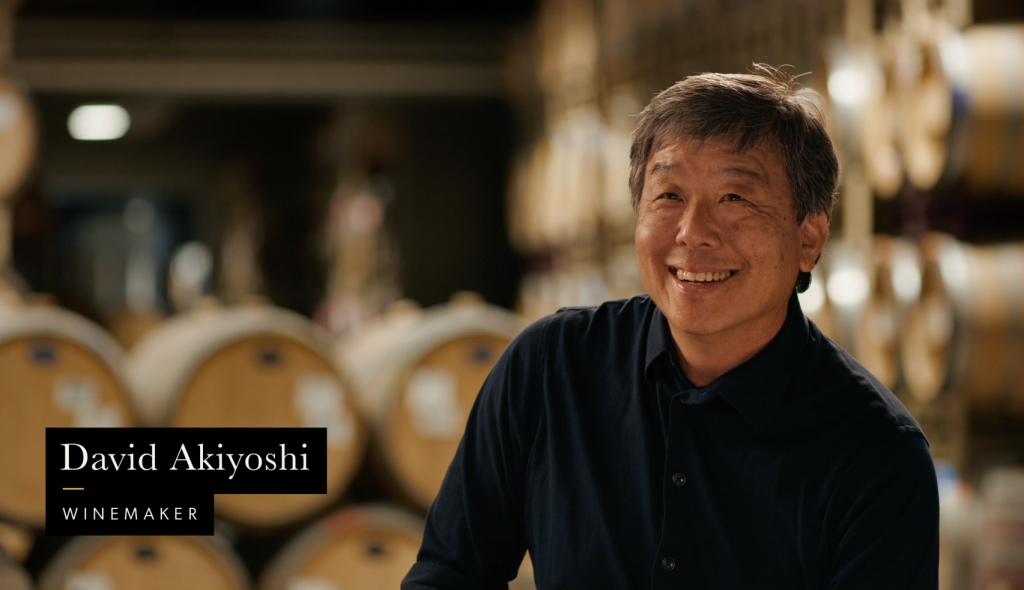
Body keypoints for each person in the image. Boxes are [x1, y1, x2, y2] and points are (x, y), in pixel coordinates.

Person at [402, 67, 939, 590]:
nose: (693, 232)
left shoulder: (877, 454)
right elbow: (451, 573)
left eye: (735, 198)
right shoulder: (550, 366)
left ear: (809, 239)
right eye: (668, 196)